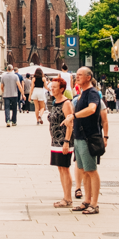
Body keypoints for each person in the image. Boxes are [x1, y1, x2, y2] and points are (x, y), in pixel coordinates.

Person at [69, 67, 108, 214]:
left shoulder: (92, 93)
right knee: (84, 170)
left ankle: (94, 204)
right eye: (76, 75)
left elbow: (92, 109)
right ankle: (87, 200)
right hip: (79, 137)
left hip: (88, 137)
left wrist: (74, 116)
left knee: (91, 170)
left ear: (88, 77)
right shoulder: (82, 93)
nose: (76, 77)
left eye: (79, 75)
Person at [47, 75, 76, 207]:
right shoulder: (54, 102)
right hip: (55, 140)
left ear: (62, 89)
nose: (52, 89)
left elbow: (70, 123)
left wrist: (66, 141)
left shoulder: (66, 103)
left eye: (54, 87)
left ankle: (68, 199)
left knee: (65, 168)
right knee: (60, 169)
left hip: (63, 140)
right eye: (51, 87)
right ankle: (65, 197)